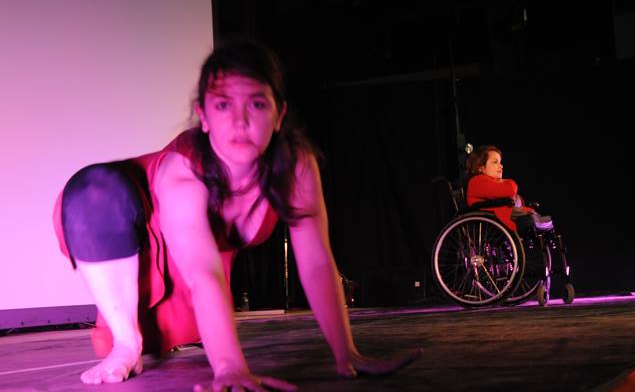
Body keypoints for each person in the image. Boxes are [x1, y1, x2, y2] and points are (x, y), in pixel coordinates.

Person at [52, 38, 422, 390]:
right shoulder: (183, 172)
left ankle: (172, 333)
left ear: (279, 115)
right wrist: (229, 367)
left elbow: (316, 263)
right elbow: (203, 273)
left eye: (257, 105)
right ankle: (126, 342)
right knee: (95, 189)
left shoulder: (295, 165)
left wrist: (346, 353)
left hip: (196, 276)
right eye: (223, 105)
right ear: (203, 116)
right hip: (132, 242)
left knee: (178, 331)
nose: (240, 121)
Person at [464, 145, 534, 232]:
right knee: (532, 219)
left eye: (500, 162)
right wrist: (508, 182)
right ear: (480, 167)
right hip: (493, 220)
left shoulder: (489, 182)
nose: (501, 166)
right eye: (495, 162)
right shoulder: (477, 181)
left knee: (536, 218)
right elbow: (510, 190)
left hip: (499, 216)